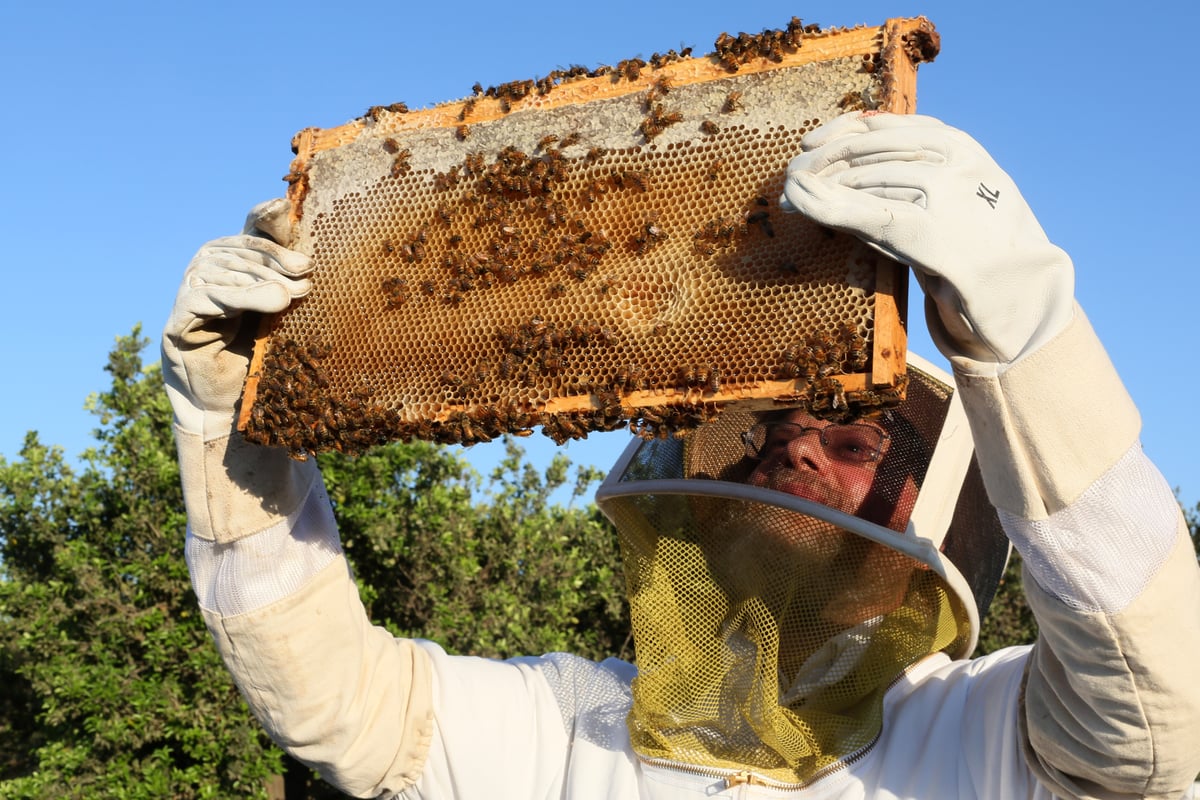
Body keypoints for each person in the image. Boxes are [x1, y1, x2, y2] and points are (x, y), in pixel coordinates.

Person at [163, 112, 1200, 799]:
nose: (792, 442)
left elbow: (1162, 706)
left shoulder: (990, 735)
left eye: (851, 438)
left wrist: (1021, 328)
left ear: (940, 516)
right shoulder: (568, 723)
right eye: (760, 428)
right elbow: (343, 709)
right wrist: (227, 426)